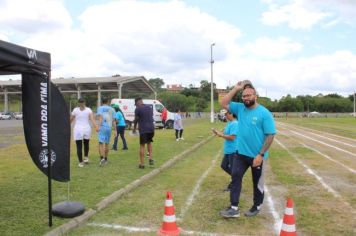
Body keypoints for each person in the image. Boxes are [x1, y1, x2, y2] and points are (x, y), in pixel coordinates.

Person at [219, 80, 276, 218]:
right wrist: (236, 88)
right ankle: (234, 208)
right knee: (235, 176)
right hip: (240, 153)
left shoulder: (264, 113)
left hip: (257, 156)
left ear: (255, 96)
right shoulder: (240, 108)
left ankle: (256, 206)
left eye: (249, 95)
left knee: (257, 183)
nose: (246, 98)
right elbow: (223, 103)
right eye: (244, 96)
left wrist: (260, 155)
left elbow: (270, 135)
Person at [212, 111, 238, 191]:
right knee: (224, 165)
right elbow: (224, 133)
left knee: (233, 169)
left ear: (232, 114)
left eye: (226, 114)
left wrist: (221, 135)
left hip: (233, 150)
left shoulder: (235, 124)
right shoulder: (229, 123)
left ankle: (234, 184)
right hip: (228, 150)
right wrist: (217, 132)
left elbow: (232, 137)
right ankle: (237, 178)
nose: (225, 116)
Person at [70, 98, 97, 167]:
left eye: (82, 102)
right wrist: (96, 126)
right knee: (83, 145)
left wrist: (96, 126)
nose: (82, 104)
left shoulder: (86, 110)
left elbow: (71, 119)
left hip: (83, 129)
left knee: (83, 145)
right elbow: (71, 119)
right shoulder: (77, 110)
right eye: (81, 103)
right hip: (81, 129)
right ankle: (82, 160)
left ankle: (83, 160)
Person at [133, 97, 155, 169]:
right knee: (149, 143)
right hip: (151, 129)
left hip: (143, 129)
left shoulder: (138, 109)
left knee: (142, 146)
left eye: (136, 104)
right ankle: (150, 158)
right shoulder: (149, 108)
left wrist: (134, 128)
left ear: (138, 102)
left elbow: (136, 119)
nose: (136, 106)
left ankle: (142, 164)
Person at [96, 98, 116, 166]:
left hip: (102, 126)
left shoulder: (100, 108)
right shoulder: (112, 109)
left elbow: (100, 118)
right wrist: (115, 130)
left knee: (101, 143)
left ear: (102, 102)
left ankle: (102, 159)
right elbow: (114, 121)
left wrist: (98, 126)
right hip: (109, 128)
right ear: (108, 102)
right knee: (107, 143)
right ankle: (106, 159)